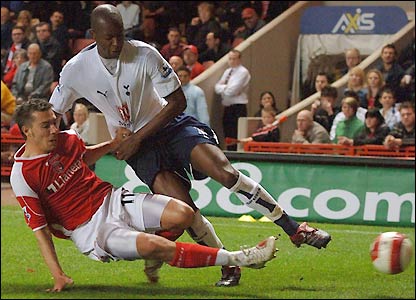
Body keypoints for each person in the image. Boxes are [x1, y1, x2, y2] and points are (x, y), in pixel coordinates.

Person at [49, 4, 331, 288]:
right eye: (109, 37)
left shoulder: (144, 53)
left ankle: (294, 229)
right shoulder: (75, 70)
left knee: (225, 172)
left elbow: (177, 102)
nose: (116, 42)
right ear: (93, 35)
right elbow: (52, 115)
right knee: (185, 211)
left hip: (168, 125)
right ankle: (229, 265)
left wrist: (136, 137)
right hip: (139, 149)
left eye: (120, 35)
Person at [10, 98, 277, 292]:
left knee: (183, 214)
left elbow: (83, 156)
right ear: (27, 131)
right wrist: (58, 275)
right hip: (90, 230)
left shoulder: (67, 138)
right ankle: (238, 258)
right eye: (46, 126)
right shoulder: (23, 175)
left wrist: (113, 144)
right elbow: (40, 231)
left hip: (112, 199)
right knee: (154, 246)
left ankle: (154, 256)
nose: (54, 130)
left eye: (54, 123)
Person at [215, 49, 250, 151]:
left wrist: (224, 88)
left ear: (239, 59)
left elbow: (232, 91)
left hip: (238, 107)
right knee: (228, 133)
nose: (232, 61)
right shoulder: (227, 71)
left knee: (236, 134)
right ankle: (230, 152)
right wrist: (226, 88)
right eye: (230, 59)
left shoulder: (243, 72)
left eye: (234, 59)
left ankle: (236, 153)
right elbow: (216, 87)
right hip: (227, 106)